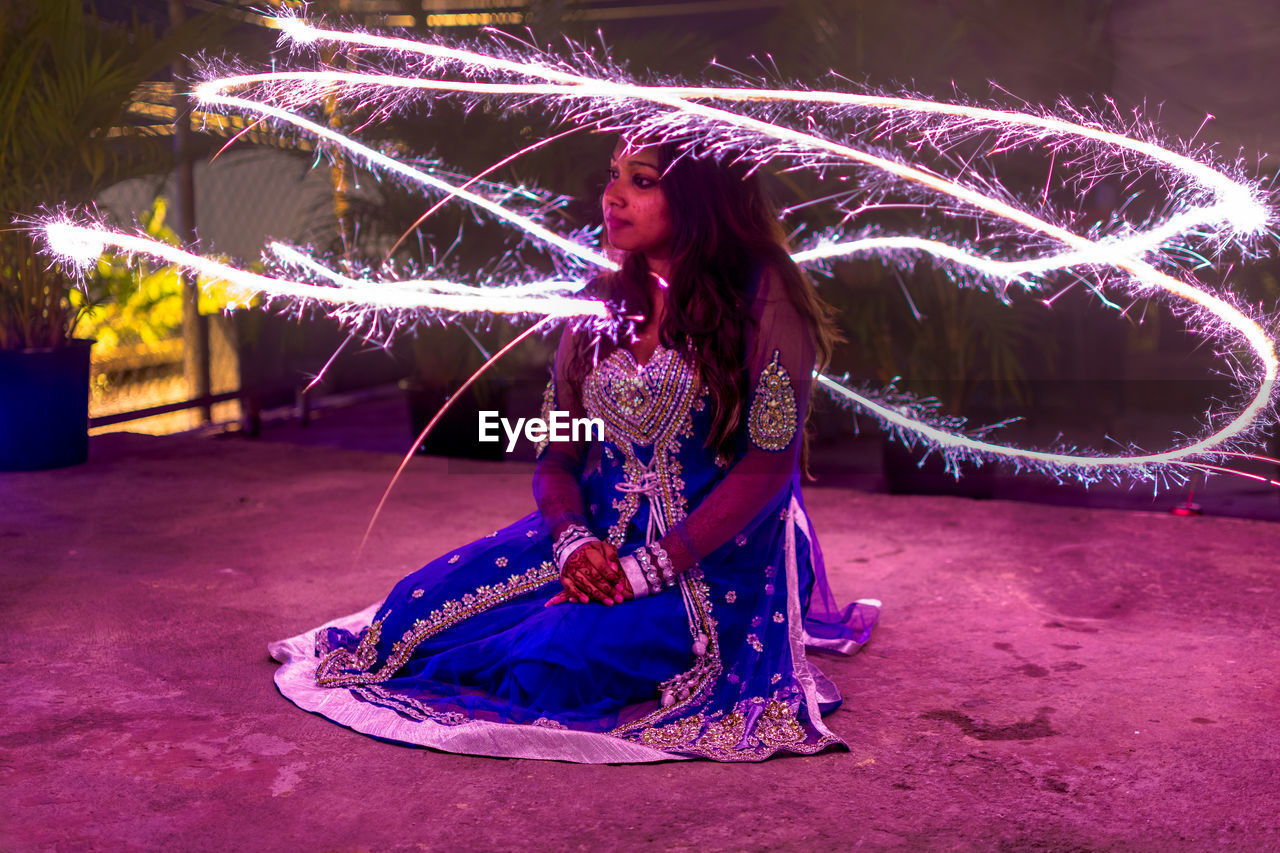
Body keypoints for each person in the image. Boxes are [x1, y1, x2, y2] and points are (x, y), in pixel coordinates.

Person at [270, 138, 880, 763]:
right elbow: (558, 454)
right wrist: (574, 543)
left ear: (700, 196)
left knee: (550, 665)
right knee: (406, 616)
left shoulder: (761, 292)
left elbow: (768, 469)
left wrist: (648, 569)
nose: (612, 196)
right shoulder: (600, 303)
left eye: (641, 181)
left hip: (724, 556)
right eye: (612, 177)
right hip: (598, 534)